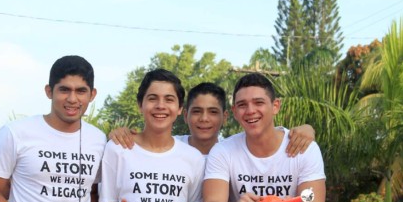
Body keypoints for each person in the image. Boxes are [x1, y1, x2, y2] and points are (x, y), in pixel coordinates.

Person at [0, 55, 107, 202]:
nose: (72, 99)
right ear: (49, 91)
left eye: (81, 91)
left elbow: (94, 193)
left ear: (92, 94)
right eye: (64, 90)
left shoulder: (98, 139)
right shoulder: (16, 132)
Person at [203, 73, 326, 202]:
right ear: (235, 112)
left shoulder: (304, 147)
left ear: (275, 106)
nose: (250, 111)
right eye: (242, 105)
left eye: (258, 102)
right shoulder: (222, 151)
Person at [99, 68, 205, 202]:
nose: (160, 106)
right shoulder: (117, 148)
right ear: (140, 105)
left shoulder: (193, 157)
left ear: (180, 108)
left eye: (169, 99)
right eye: (152, 98)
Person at [109, 81, 316, 157]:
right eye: (197, 111)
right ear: (185, 114)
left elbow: (269, 133)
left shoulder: (230, 152)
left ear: (226, 116)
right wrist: (119, 133)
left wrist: (307, 129)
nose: (204, 119)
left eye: (213, 112)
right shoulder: (172, 148)